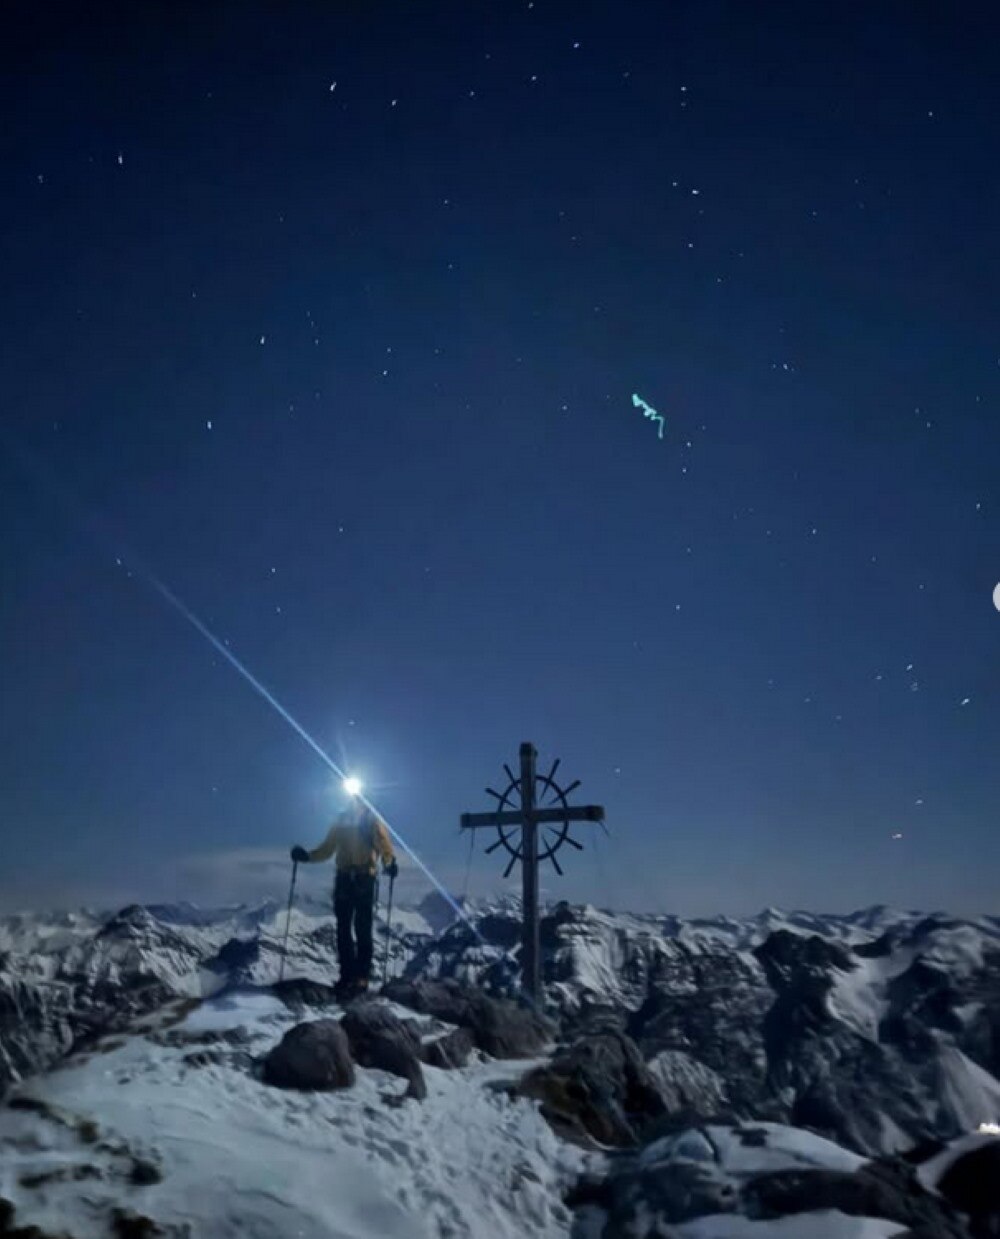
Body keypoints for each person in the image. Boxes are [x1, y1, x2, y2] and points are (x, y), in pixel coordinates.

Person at [291, 797, 398, 999]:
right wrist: (307, 856)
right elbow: (327, 849)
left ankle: (359, 977)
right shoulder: (346, 821)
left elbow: (384, 845)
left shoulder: (369, 820)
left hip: (359, 878)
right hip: (353, 878)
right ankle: (349, 976)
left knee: (358, 927)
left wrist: (389, 861)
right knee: (346, 928)